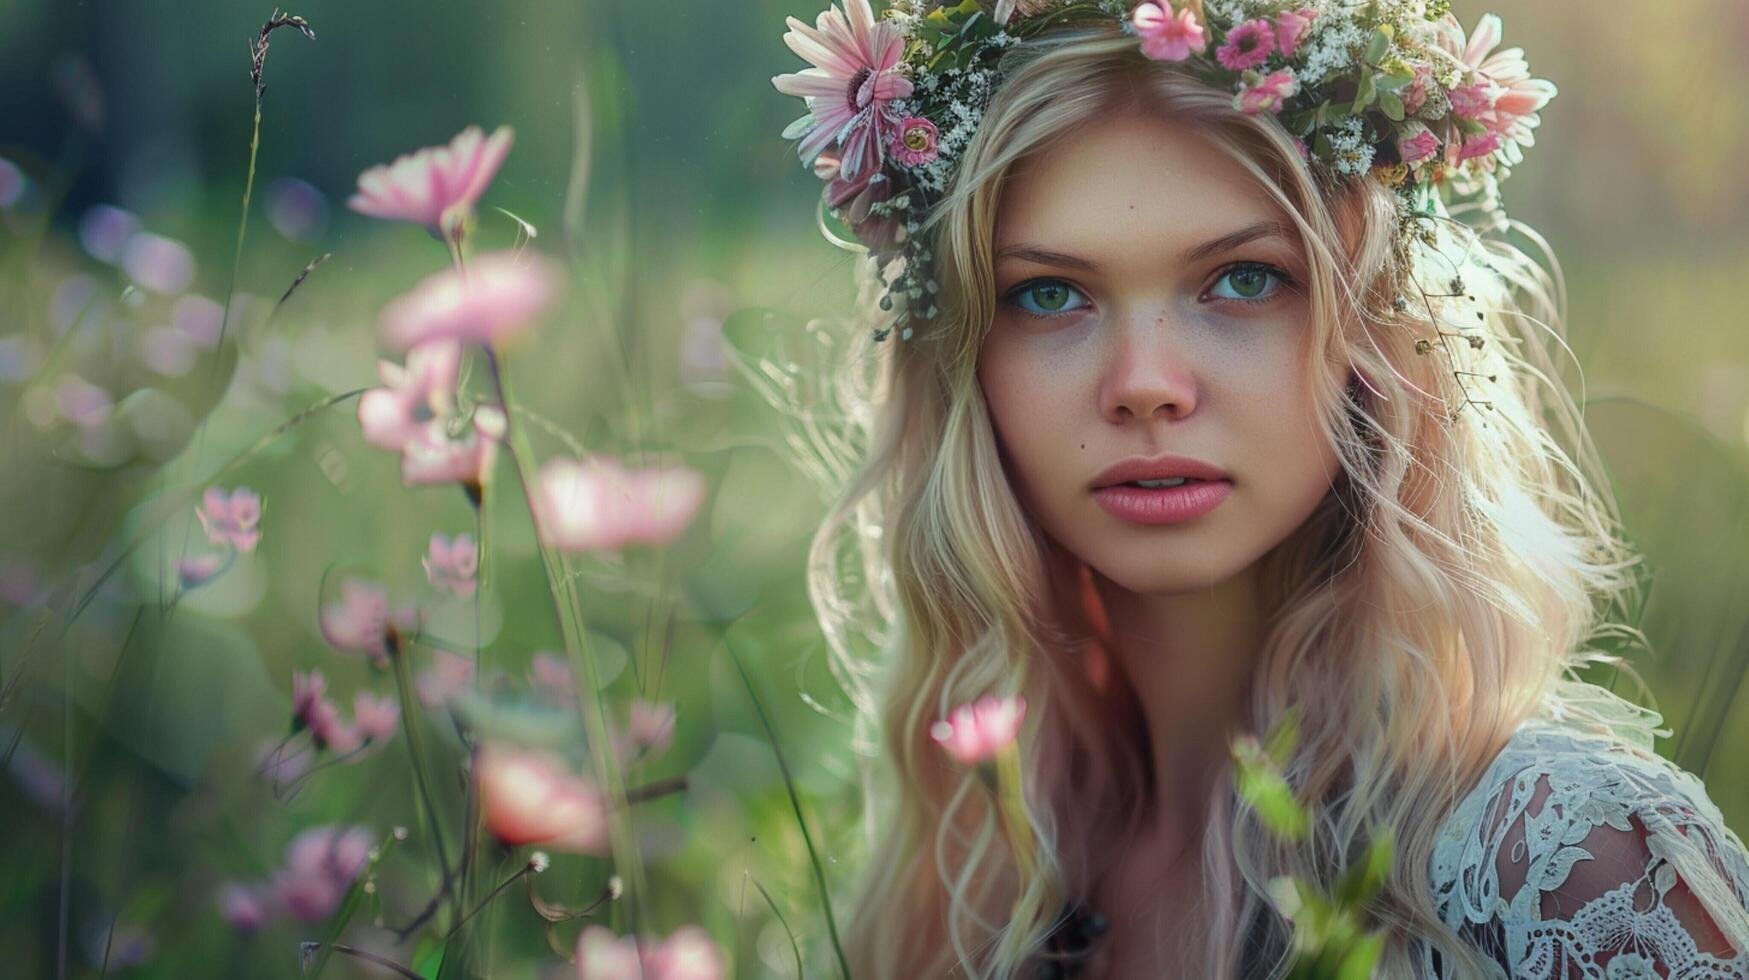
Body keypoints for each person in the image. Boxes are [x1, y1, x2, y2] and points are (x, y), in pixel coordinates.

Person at [764, 1, 1749, 976]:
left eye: (1241, 278)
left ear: (1374, 327)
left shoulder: (1572, 865)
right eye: (1050, 293)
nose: (1145, 382)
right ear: (965, 365)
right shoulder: (978, 892)